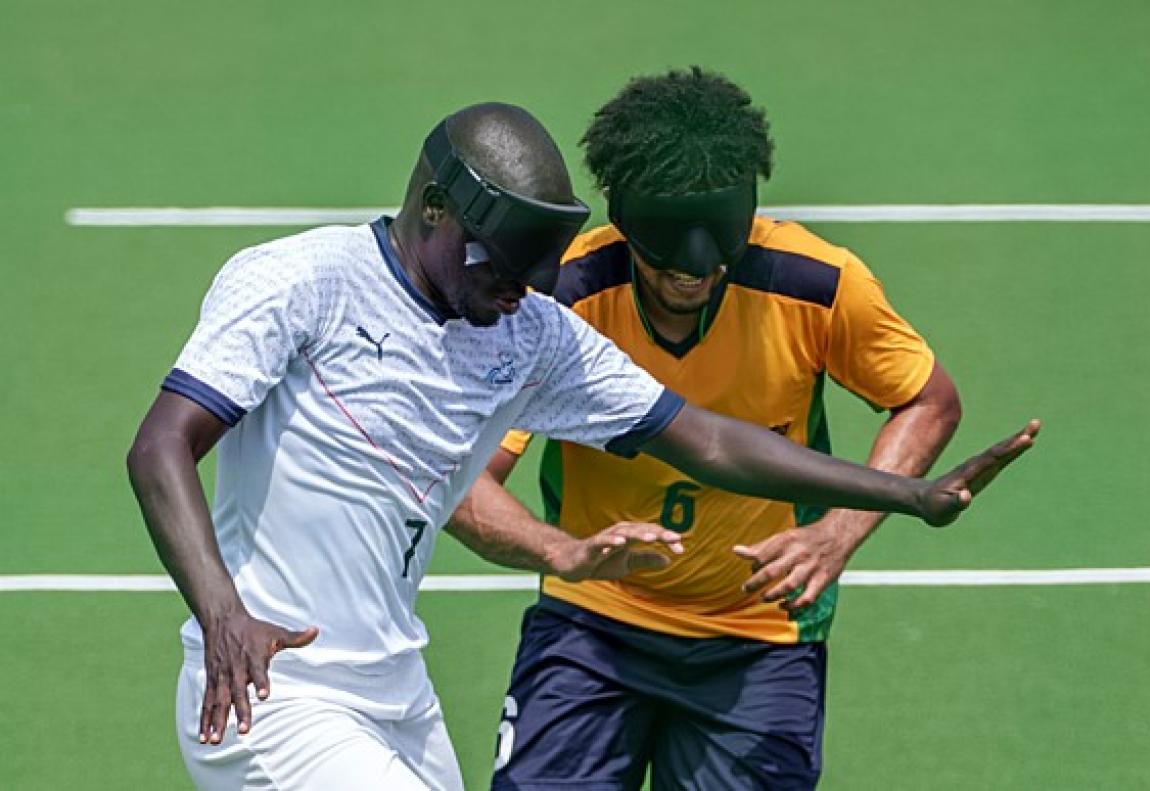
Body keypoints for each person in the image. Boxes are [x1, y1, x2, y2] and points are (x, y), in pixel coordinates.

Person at [128, 101, 1035, 791]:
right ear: (436, 210)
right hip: (271, 686)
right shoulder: (300, 281)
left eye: (534, 271)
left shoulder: (525, 333)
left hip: (397, 693)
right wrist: (221, 615)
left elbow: (709, 440)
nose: (522, 290)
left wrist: (900, 496)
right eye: (501, 264)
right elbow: (163, 444)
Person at [450, 69, 1009, 790]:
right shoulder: (565, 300)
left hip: (759, 637)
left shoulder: (816, 284)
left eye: (718, 252)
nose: (695, 272)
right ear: (625, 219)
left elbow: (927, 400)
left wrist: (835, 534)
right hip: (593, 627)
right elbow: (466, 478)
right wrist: (568, 553)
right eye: (666, 254)